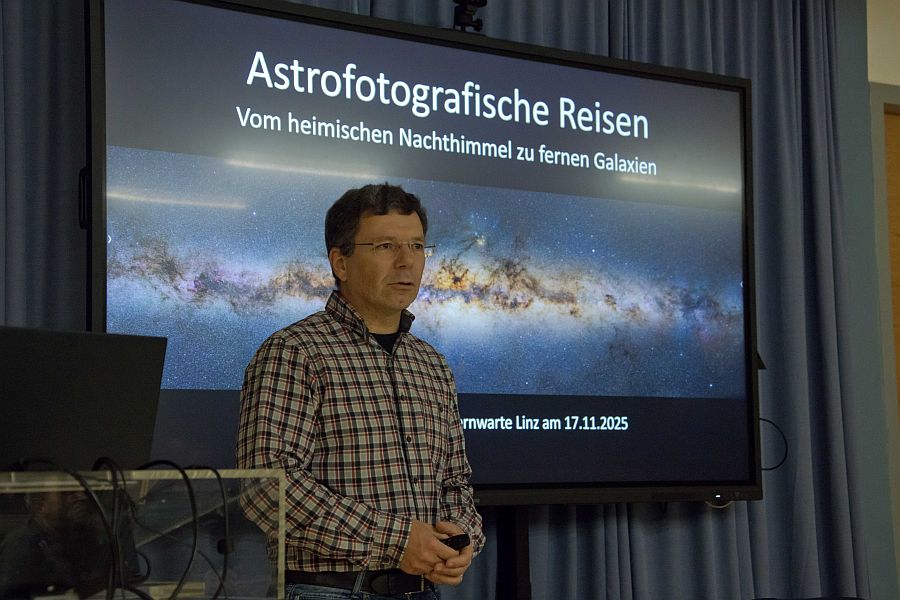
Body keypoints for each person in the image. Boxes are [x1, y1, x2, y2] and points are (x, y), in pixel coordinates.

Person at [237, 183, 485, 599]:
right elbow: (267, 487)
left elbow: (455, 481)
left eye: (417, 246)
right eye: (386, 246)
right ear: (341, 262)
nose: (407, 261)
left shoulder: (431, 363)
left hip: (423, 591)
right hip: (328, 591)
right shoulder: (294, 351)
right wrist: (397, 540)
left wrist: (463, 535)